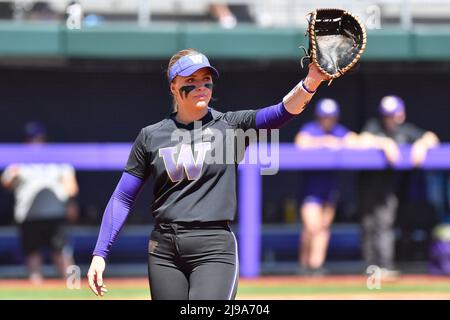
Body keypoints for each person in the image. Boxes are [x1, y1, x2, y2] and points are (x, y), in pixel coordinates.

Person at [87, 48, 328, 299]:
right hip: (164, 250)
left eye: (206, 80)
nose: (201, 86)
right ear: (173, 87)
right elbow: (123, 198)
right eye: (190, 81)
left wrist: (311, 81)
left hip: (214, 247)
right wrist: (99, 253)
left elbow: (281, 112)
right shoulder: (150, 136)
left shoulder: (231, 126)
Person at [358, 95, 439, 278]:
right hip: (368, 185)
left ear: (401, 115)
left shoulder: (406, 130)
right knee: (369, 224)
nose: (389, 119)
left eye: (393, 115)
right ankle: (369, 267)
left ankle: (385, 266)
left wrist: (421, 144)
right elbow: (360, 140)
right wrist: (384, 143)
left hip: (389, 187)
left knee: (385, 223)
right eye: (386, 115)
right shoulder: (375, 126)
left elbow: (431, 137)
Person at [0, 122, 79, 284]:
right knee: (33, 255)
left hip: (55, 215)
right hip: (29, 216)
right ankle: (36, 290)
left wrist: (70, 201)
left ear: (45, 140)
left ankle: (75, 287)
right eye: (30, 139)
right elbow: (5, 183)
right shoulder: (19, 160)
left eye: (38, 139)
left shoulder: (56, 159)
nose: (35, 142)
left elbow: (72, 187)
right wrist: (13, 175)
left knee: (63, 254)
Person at [295, 98, 358, 276]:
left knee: (323, 227)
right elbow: (301, 142)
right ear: (318, 116)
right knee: (312, 227)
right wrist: (324, 142)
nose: (327, 120)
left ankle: (316, 266)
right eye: (324, 117)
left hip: (329, 190)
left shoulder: (339, 131)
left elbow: (355, 141)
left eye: (330, 117)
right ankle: (304, 264)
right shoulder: (311, 129)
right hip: (310, 190)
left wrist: (338, 142)